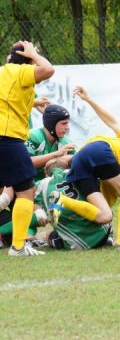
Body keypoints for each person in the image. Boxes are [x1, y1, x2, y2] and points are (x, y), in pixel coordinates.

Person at [48, 86, 120, 248]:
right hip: (97, 149)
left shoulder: (115, 183)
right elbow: (112, 122)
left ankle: (62, 200)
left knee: (105, 215)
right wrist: (89, 100)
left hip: (83, 164)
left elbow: (96, 210)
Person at [0, 41, 54, 256]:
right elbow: (48, 69)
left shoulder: (4, 72)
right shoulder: (21, 70)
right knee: (25, 191)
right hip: (7, 138)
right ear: (28, 60)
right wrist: (33, 54)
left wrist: (34, 102)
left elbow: (7, 98)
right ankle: (19, 246)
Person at [36, 157, 112, 250]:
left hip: (79, 243)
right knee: (103, 206)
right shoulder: (78, 173)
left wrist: (38, 209)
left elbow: (25, 197)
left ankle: (60, 202)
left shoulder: (41, 184)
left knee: (48, 234)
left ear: (46, 172)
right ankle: (110, 238)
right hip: (103, 233)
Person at [26, 104, 76, 181]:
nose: (67, 127)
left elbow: (78, 163)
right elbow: (25, 163)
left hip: (52, 185)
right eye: (63, 123)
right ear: (51, 124)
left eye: (68, 123)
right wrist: (56, 154)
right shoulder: (33, 136)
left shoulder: (66, 142)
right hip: (29, 184)